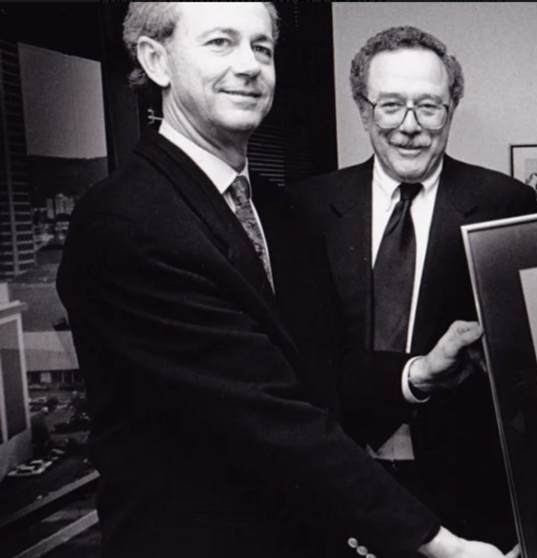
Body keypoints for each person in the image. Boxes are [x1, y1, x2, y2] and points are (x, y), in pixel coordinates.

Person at [58, 4, 512, 557]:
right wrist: (440, 544)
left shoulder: (278, 210)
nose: (249, 65)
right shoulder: (124, 222)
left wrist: (419, 373)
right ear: (156, 60)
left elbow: (316, 368)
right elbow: (264, 411)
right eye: (221, 43)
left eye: (262, 47)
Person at [292, 26, 537, 548]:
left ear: (451, 110)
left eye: (429, 107)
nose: (410, 127)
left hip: (468, 500)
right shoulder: (305, 210)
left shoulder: (507, 203)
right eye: (391, 106)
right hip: (339, 487)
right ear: (363, 110)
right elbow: (304, 363)